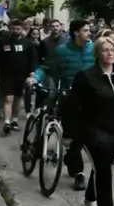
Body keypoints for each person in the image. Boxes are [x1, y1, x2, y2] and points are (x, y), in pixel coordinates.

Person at [64, 36, 114, 206]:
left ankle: (90, 197)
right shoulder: (85, 77)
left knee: (102, 166)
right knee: (103, 169)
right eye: (105, 50)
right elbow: (72, 106)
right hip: (93, 130)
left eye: (112, 49)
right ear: (97, 53)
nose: (109, 53)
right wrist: (73, 133)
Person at [30, 19, 94, 191]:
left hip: (90, 100)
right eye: (86, 30)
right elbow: (45, 67)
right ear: (76, 33)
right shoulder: (62, 51)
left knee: (85, 136)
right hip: (69, 98)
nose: (90, 33)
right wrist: (34, 78)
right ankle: (79, 173)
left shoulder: (94, 49)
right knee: (72, 136)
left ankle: (71, 158)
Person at [0, 19, 37, 135]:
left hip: (21, 75)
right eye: (13, 28)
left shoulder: (27, 43)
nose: (15, 31)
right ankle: (7, 122)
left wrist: (32, 71)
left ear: (22, 30)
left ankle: (14, 120)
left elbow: (33, 58)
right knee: (8, 98)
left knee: (18, 98)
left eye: (18, 29)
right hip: (6, 74)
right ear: (10, 28)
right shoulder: (3, 42)